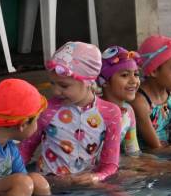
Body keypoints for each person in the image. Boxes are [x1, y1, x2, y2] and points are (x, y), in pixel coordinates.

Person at [19, 41, 123, 186]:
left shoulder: (110, 113)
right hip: (49, 186)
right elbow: (24, 151)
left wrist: (96, 177)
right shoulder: (46, 109)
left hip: (85, 187)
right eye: (52, 83)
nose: (56, 91)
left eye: (64, 85)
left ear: (88, 81)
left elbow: (110, 165)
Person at [98, 46, 142, 156]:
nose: (134, 81)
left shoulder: (128, 111)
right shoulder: (95, 111)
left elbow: (133, 152)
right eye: (125, 75)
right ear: (104, 81)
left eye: (136, 74)